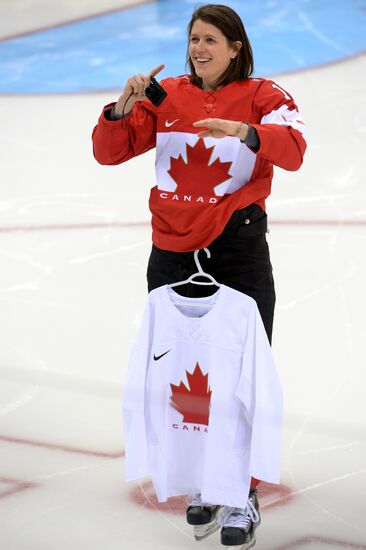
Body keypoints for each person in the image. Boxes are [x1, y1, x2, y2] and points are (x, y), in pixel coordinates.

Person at [92, 3, 306, 548]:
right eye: (194, 39)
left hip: (236, 248)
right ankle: (204, 483)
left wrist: (247, 131)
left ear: (236, 47)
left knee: (242, 376)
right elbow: (108, 152)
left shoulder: (265, 96)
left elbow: (296, 150)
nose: (199, 49)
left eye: (211, 39)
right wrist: (122, 109)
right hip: (171, 252)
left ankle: (242, 491)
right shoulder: (171, 98)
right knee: (185, 376)